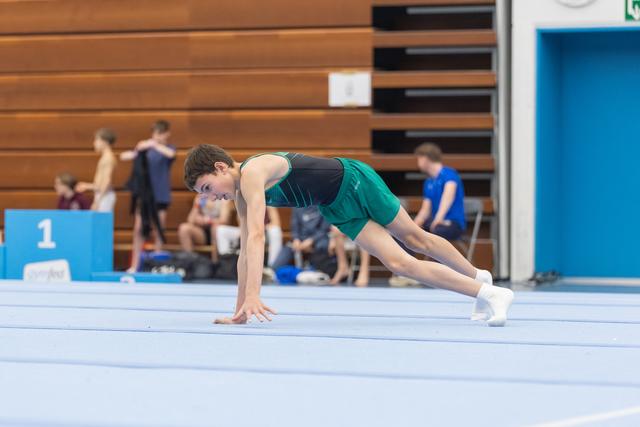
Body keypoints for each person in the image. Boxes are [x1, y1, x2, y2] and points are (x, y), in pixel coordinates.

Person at [184, 146, 513, 326]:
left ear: (221, 168)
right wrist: (242, 307)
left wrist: (255, 295)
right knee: (400, 264)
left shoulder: (253, 173)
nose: (211, 197)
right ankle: (486, 291)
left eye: (208, 188)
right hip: (334, 207)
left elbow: (258, 237)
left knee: (415, 238)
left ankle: (477, 277)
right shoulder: (241, 194)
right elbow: (245, 251)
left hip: (354, 181)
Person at [120, 120, 176, 273]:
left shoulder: (167, 149)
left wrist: (154, 144)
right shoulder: (147, 149)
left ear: (166, 134)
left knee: (158, 229)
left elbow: (172, 154)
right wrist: (138, 148)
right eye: (154, 134)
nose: (157, 137)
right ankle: (134, 264)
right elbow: (124, 156)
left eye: (160, 134)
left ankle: (156, 264)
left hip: (160, 196)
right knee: (138, 229)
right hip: (145, 197)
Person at [413, 143, 466, 240]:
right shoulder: (429, 182)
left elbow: (448, 197)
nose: (418, 162)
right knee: (409, 236)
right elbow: (425, 210)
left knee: (437, 231)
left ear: (425, 158)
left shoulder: (449, 174)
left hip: (453, 223)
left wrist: (439, 218)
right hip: (436, 222)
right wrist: (413, 227)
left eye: (419, 159)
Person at [271, 206, 334, 273]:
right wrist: (296, 239)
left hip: (318, 241)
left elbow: (324, 229)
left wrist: (311, 241)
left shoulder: (323, 204)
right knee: (276, 267)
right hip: (299, 243)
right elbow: (294, 227)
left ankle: (313, 268)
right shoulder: (297, 205)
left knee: (322, 246)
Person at [177, 196, 233, 262]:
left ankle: (216, 263)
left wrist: (209, 221)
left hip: (218, 233)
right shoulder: (201, 197)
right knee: (184, 228)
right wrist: (197, 206)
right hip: (203, 233)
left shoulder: (223, 198)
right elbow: (190, 220)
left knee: (215, 228)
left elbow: (224, 220)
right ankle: (189, 261)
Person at [76, 128, 117, 212]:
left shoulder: (108, 158)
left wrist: (98, 201)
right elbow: (100, 183)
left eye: (97, 140)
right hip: (102, 194)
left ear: (105, 142)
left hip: (104, 195)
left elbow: (106, 181)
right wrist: (87, 186)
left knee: (103, 223)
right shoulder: (105, 157)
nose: (94, 143)